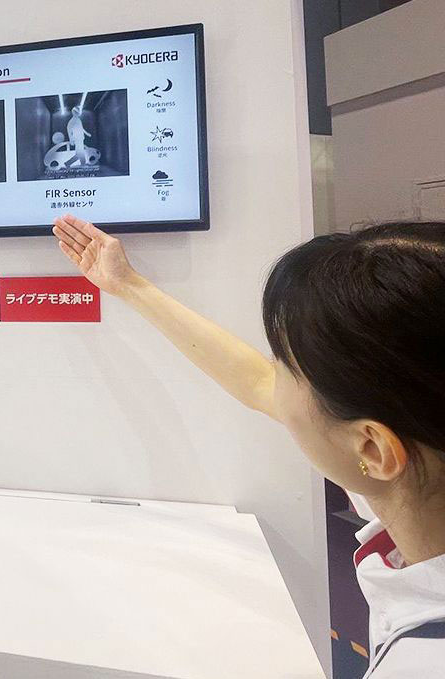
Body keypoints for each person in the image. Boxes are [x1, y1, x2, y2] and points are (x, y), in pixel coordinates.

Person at [51, 215, 445, 678]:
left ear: (373, 450)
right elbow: (256, 381)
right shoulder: (420, 472)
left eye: (289, 368)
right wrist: (128, 284)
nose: (273, 378)